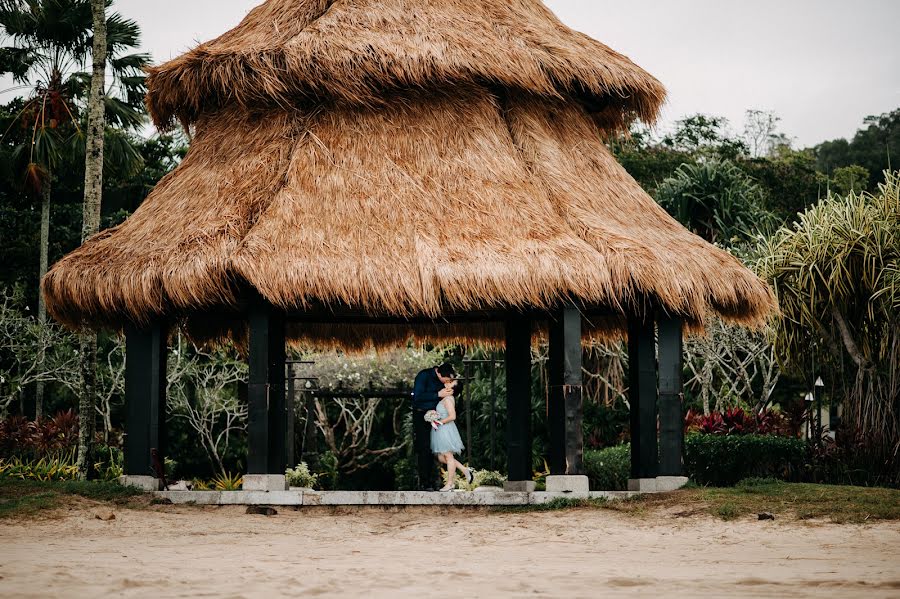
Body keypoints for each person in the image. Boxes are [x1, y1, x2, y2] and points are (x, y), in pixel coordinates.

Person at [412, 362, 455, 490]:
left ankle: (437, 482)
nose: (446, 383)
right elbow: (417, 398)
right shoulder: (423, 376)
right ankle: (424, 483)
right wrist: (437, 394)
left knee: (438, 450)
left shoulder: (444, 380)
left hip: (438, 417)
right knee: (424, 448)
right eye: (446, 380)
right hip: (421, 416)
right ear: (439, 374)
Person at [431, 378, 473, 492]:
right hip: (441, 429)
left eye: (450, 383)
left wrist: (438, 422)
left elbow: (452, 416)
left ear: (452, 389)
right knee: (441, 457)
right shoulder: (445, 398)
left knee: (448, 457)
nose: (447, 383)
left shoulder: (448, 399)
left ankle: (450, 484)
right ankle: (464, 470)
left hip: (445, 430)